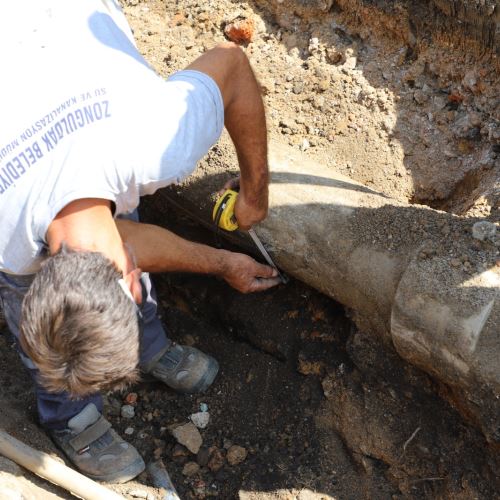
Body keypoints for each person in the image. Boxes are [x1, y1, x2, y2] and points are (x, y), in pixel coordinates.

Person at [0, 0, 281, 483]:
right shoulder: (10, 241)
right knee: (49, 314)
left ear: (132, 279)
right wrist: (218, 262)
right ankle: (69, 414)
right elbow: (111, 238)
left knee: (113, 202)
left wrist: (255, 193)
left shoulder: (155, 140)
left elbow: (232, 63)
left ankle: (145, 344)